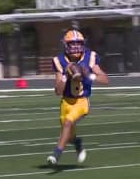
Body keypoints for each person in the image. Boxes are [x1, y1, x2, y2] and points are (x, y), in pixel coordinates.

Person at [46, 29, 109, 165]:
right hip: (66, 103)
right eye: (72, 44)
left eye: (78, 44)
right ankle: (77, 143)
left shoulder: (90, 57)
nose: (75, 47)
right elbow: (57, 91)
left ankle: (56, 154)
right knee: (68, 135)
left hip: (82, 102)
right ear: (66, 45)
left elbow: (105, 79)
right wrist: (65, 76)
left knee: (68, 122)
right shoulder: (59, 61)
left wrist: (89, 75)